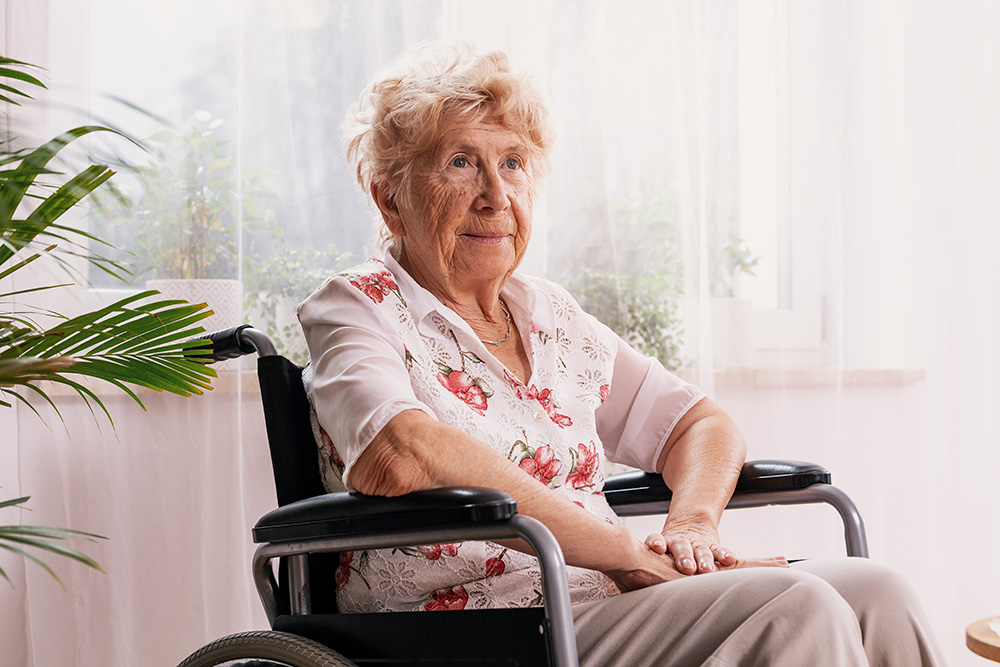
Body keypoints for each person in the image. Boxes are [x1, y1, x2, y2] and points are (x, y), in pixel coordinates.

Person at [298, 42, 944, 666]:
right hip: (465, 621)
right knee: (795, 605)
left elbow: (699, 424)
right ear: (390, 197)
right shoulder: (358, 305)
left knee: (877, 589)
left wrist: (692, 525)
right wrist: (623, 552)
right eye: (462, 162)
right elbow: (400, 451)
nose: (497, 195)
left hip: (597, 598)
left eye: (514, 163)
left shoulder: (549, 314)